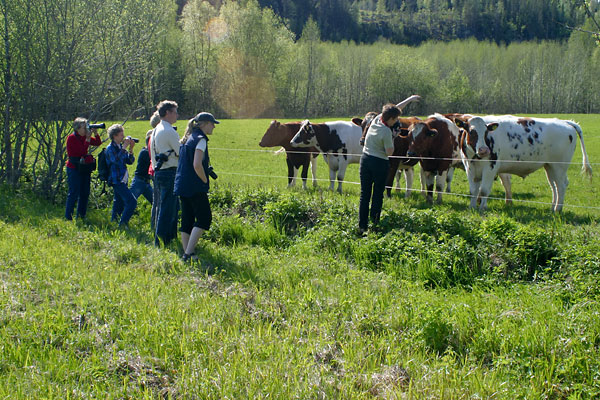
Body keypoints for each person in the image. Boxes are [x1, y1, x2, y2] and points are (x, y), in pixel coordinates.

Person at [174, 112, 218, 262]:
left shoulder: (188, 138)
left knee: (187, 219)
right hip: (195, 186)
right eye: (212, 124)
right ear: (205, 124)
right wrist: (205, 180)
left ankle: (187, 254)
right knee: (205, 218)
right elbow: (197, 164)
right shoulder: (201, 140)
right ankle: (188, 253)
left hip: (182, 183)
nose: (213, 127)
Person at [358, 104, 402, 234]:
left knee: (364, 195)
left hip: (365, 160)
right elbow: (389, 152)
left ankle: (362, 226)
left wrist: (410, 99)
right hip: (379, 163)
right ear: (392, 118)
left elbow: (394, 108)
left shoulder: (377, 118)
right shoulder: (386, 132)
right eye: (396, 119)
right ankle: (374, 223)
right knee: (377, 194)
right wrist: (394, 137)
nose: (396, 121)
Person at [151, 100, 180, 246]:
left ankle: (165, 238)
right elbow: (181, 153)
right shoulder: (169, 131)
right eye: (175, 112)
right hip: (169, 171)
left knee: (164, 206)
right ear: (167, 113)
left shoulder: (156, 129)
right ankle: (163, 240)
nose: (177, 115)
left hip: (159, 171)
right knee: (168, 208)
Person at [65, 117, 102, 221]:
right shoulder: (71, 138)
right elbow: (81, 151)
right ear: (77, 128)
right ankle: (68, 216)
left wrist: (95, 134)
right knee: (74, 192)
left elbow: (98, 143)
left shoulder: (85, 136)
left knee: (85, 192)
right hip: (73, 168)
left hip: (84, 168)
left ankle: (81, 215)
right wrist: (87, 139)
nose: (86, 130)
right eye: (84, 127)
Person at [105, 124, 137, 228]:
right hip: (116, 179)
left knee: (118, 202)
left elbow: (130, 161)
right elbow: (116, 161)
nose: (123, 137)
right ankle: (123, 224)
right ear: (114, 136)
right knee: (131, 201)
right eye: (121, 135)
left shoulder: (120, 147)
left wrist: (131, 149)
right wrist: (124, 148)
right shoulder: (110, 148)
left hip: (122, 179)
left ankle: (114, 222)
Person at [129, 130, 154, 206]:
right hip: (139, 181)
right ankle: (119, 215)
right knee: (130, 202)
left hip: (146, 182)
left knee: (155, 202)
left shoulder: (147, 151)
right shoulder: (145, 152)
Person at [147, 111, 161, 230]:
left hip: (153, 169)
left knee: (156, 201)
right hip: (158, 170)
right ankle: (158, 227)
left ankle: (154, 226)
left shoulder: (152, 135)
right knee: (159, 201)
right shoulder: (158, 135)